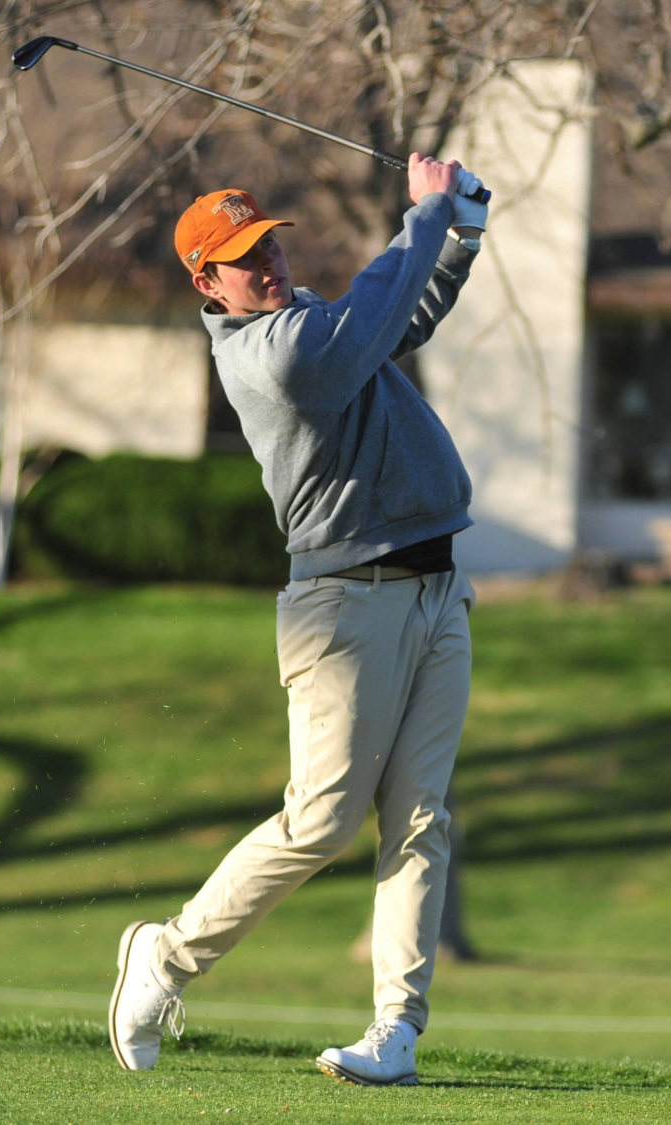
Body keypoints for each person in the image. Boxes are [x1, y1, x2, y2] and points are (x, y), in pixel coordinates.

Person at [105, 154, 489, 1087]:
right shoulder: (272, 355)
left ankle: (395, 1028)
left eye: (267, 243)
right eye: (243, 258)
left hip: (437, 589)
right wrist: (429, 213)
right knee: (321, 820)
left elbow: (400, 315)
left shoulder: (309, 318)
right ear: (207, 282)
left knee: (421, 819)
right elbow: (366, 322)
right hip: (345, 606)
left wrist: (459, 236)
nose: (267, 264)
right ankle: (167, 954)